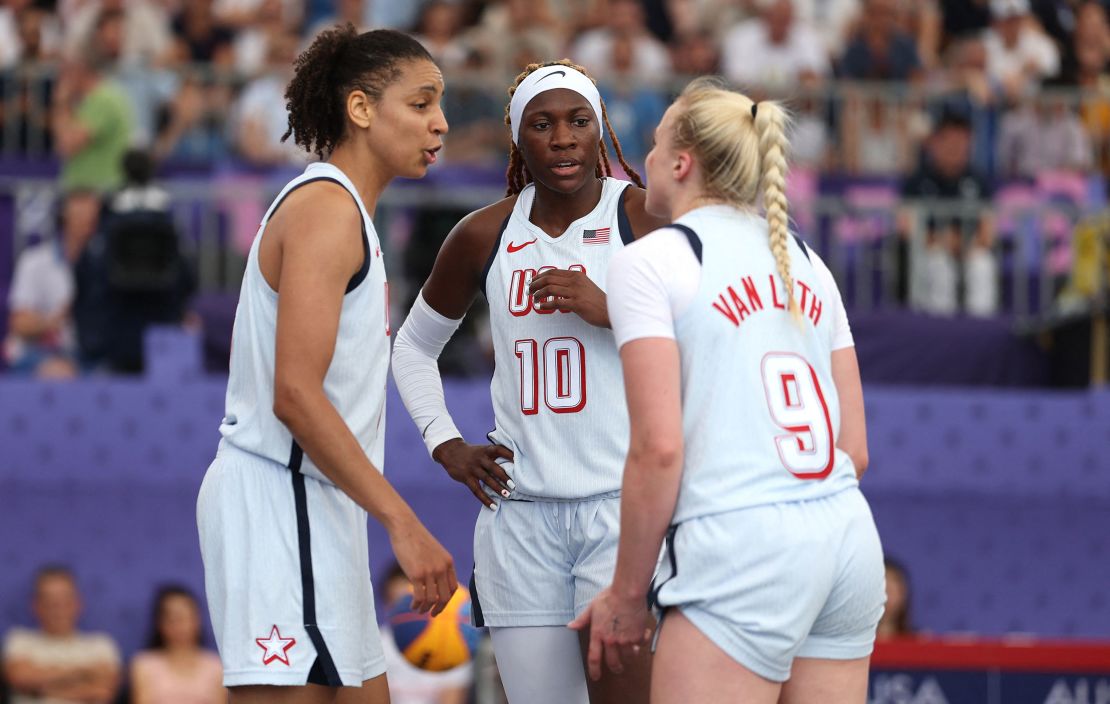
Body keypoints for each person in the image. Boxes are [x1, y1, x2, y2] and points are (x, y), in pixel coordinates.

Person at [571, 78, 885, 703]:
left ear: (683, 163)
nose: (647, 160)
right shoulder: (807, 261)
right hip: (846, 540)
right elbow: (855, 449)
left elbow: (659, 450)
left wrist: (629, 594)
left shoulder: (652, 260)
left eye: (655, 145)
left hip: (742, 546)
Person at [392, 60, 667, 704]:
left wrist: (612, 308)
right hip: (519, 518)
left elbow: (707, 339)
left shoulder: (643, 219)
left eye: (579, 121)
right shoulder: (483, 234)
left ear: (601, 131)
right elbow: (410, 348)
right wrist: (445, 443)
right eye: (542, 124)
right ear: (519, 140)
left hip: (619, 511)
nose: (563, 138)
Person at [195, 24, 456, 704]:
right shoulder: (326, 211)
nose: (441, 122)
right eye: (422, 103)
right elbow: (295, 395)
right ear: (362, 108)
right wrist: (404, 521)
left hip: (319, 506)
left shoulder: (345, 212)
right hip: (280, 497)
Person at [1, 565, 121, 704]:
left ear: (78, 603)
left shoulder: (100, 644)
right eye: (49, 600)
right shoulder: (19, 639)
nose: (58, 607)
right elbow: (20, 678)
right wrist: (85, 671)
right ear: (35, 605)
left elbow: (102, 694)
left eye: (65, 599)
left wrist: (37, 691)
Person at [377, 563, 473, 704]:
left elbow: (452, 698)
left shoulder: (453, 641)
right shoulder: (375, 645)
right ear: (387, 604)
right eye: (397, 602)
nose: (406, 610)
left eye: (410, 602)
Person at [130, 585, 224, 704]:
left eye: (185, 617)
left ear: (198, 620)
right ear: (160, 623)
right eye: (172, 618)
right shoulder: (143, 666)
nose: (180, 625)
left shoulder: (216, 667)